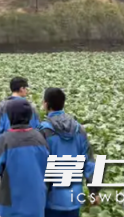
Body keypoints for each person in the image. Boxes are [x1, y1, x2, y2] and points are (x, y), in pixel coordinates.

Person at [39, 88, 99, 217]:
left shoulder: (44, 131)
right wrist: (94, 192)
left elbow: (38, 166)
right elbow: (89, 163)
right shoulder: (79, 129)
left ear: (45, 104)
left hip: (50, 198)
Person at [0, 99, 49, 217]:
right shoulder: (40, 138)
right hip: (37, 200)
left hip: (11, 202)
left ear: (10, 116)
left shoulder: (4, 140)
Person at [0, 77, 40, 141]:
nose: (27, 91)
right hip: (29, 144)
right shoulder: (30, 106)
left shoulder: (2, 107)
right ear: (22, 89)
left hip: (8, 145)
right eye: (26, 88)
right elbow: (37, 128)